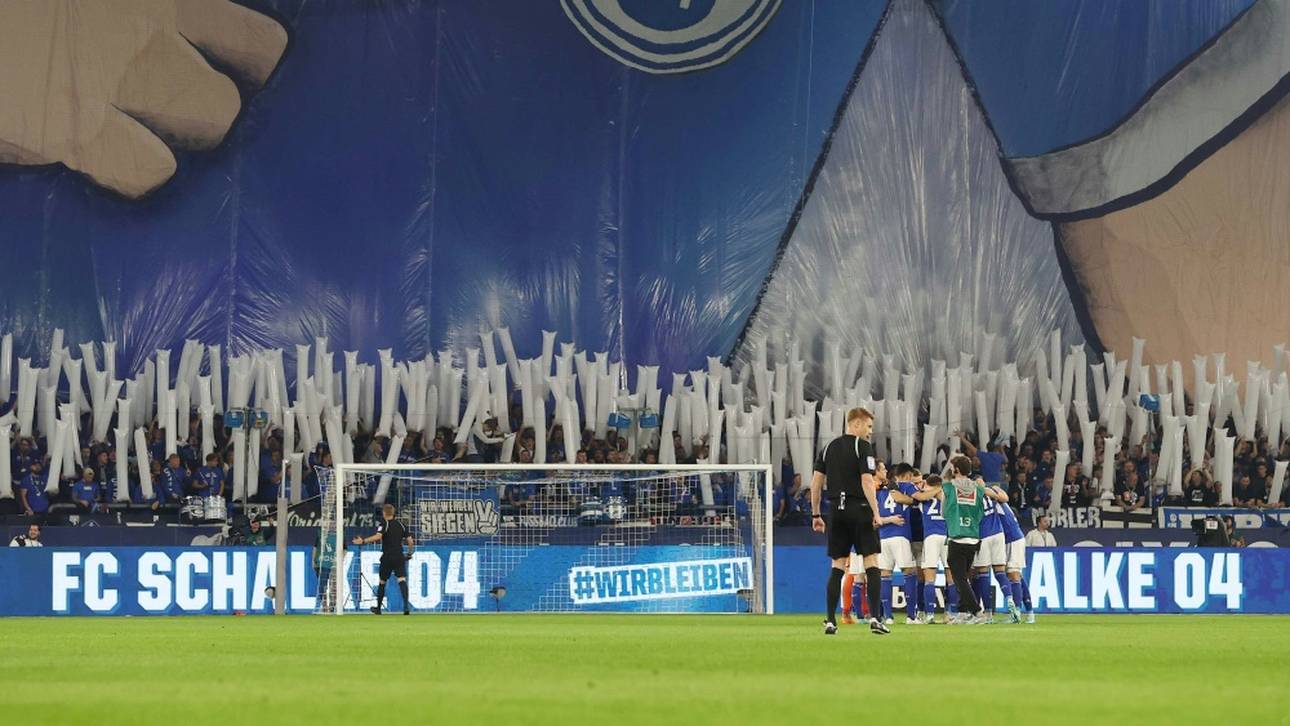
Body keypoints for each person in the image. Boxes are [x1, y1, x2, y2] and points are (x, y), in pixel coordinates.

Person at [810, 406, 887, 635]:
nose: (870, 432)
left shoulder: (827, 448)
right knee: (871, 561)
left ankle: (830, 620)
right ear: (856, 424)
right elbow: (867, 481)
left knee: (837, 565)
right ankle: (875, 618)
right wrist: (876, 512)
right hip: (860, 508)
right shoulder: (862, 446)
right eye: (869, 426)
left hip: (836, 510)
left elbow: (815, 484)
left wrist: (816, 514)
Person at [912, 455, 1006, 625]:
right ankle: (962, 612)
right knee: (964, 576)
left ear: (955, 470)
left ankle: (977, 611)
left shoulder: (948, 487)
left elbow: (944, 512)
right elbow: (982, 511)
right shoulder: (978, 488)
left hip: (957, 536)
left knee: (959, 579)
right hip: (974, 537)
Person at [875, 463, 919, 625]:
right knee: (909, 572)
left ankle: (888, 617)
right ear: (907, 475)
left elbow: (875, 518)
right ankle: (911, 617)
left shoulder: (879, 493)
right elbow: (918, 498)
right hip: (900, 535)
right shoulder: (907, 486)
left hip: (883, 537)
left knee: (885, 575)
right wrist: (912, 500)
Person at [351, 502, 414, 615]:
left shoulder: (384, 523)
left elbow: (378, 536)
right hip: (399, 556)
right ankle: (406, 606)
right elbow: (410, 541)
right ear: (393, 513)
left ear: (384, 513)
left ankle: (378, 608)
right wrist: (409, 553)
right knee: (401, 580)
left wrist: (363, 541)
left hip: (387, 556)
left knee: (382, 581)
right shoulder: (401, 524)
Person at [973, 474, 1020, 622]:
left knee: (983, 574)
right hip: (998, 534)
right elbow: (1004, 498)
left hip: (983, 535)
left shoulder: (972, 495)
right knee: (1000, 572)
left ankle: (988, 613)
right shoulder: (990, 493)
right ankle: (1010, 599)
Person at [916, 474, 953, 624]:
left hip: (931, 537)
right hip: (947, 537)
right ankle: (950, 614)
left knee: (929, 578)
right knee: (951, 577)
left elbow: (918, 497)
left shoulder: (923, 497)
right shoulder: (948, 496)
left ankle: (930, 615)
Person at [998, 497, 1034, 624]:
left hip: (1013, 539)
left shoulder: (994, 501)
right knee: (1017, 576)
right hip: (1011, 539)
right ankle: (1029, 612)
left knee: (1014, 575)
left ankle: (1016, 612)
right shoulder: (1000, 502)